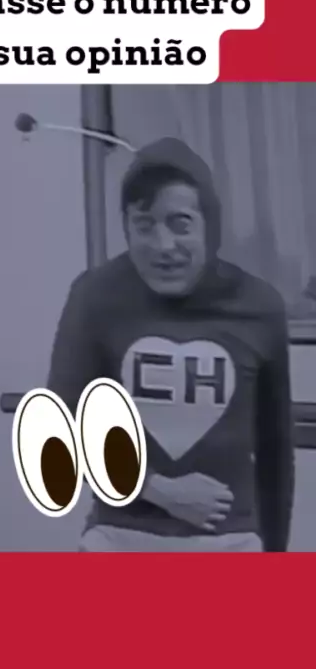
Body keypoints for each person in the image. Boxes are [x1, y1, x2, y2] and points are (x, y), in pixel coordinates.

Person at [47, 137, 295, 552]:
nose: (163, 246)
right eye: (144, 225)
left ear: (209, 225)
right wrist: (159, 490)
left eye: (180, 224)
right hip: (118, 540)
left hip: (231, 545)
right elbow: (60, 433)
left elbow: (275, 453)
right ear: (126, 227)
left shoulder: (259, 304)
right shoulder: (95, 296)